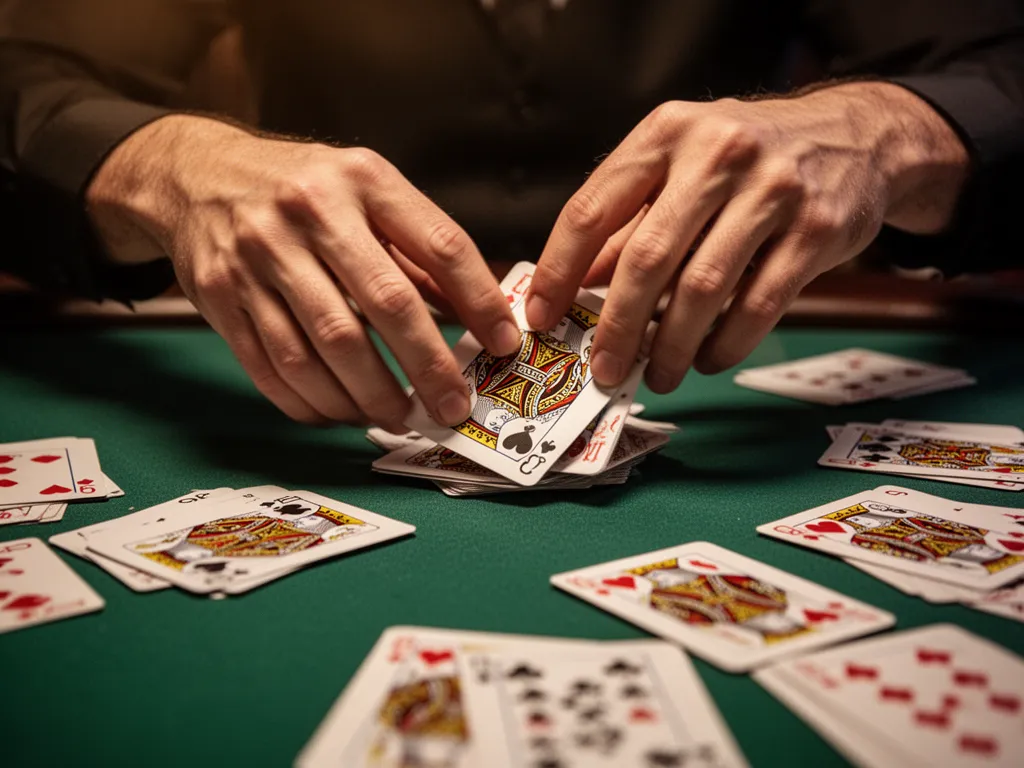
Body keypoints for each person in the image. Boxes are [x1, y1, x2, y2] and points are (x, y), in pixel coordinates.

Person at [2, 1, 1022, 432]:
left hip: (710, 347)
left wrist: (890, 130)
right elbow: (28, 72)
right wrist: (167, 163)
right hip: (313, 347)